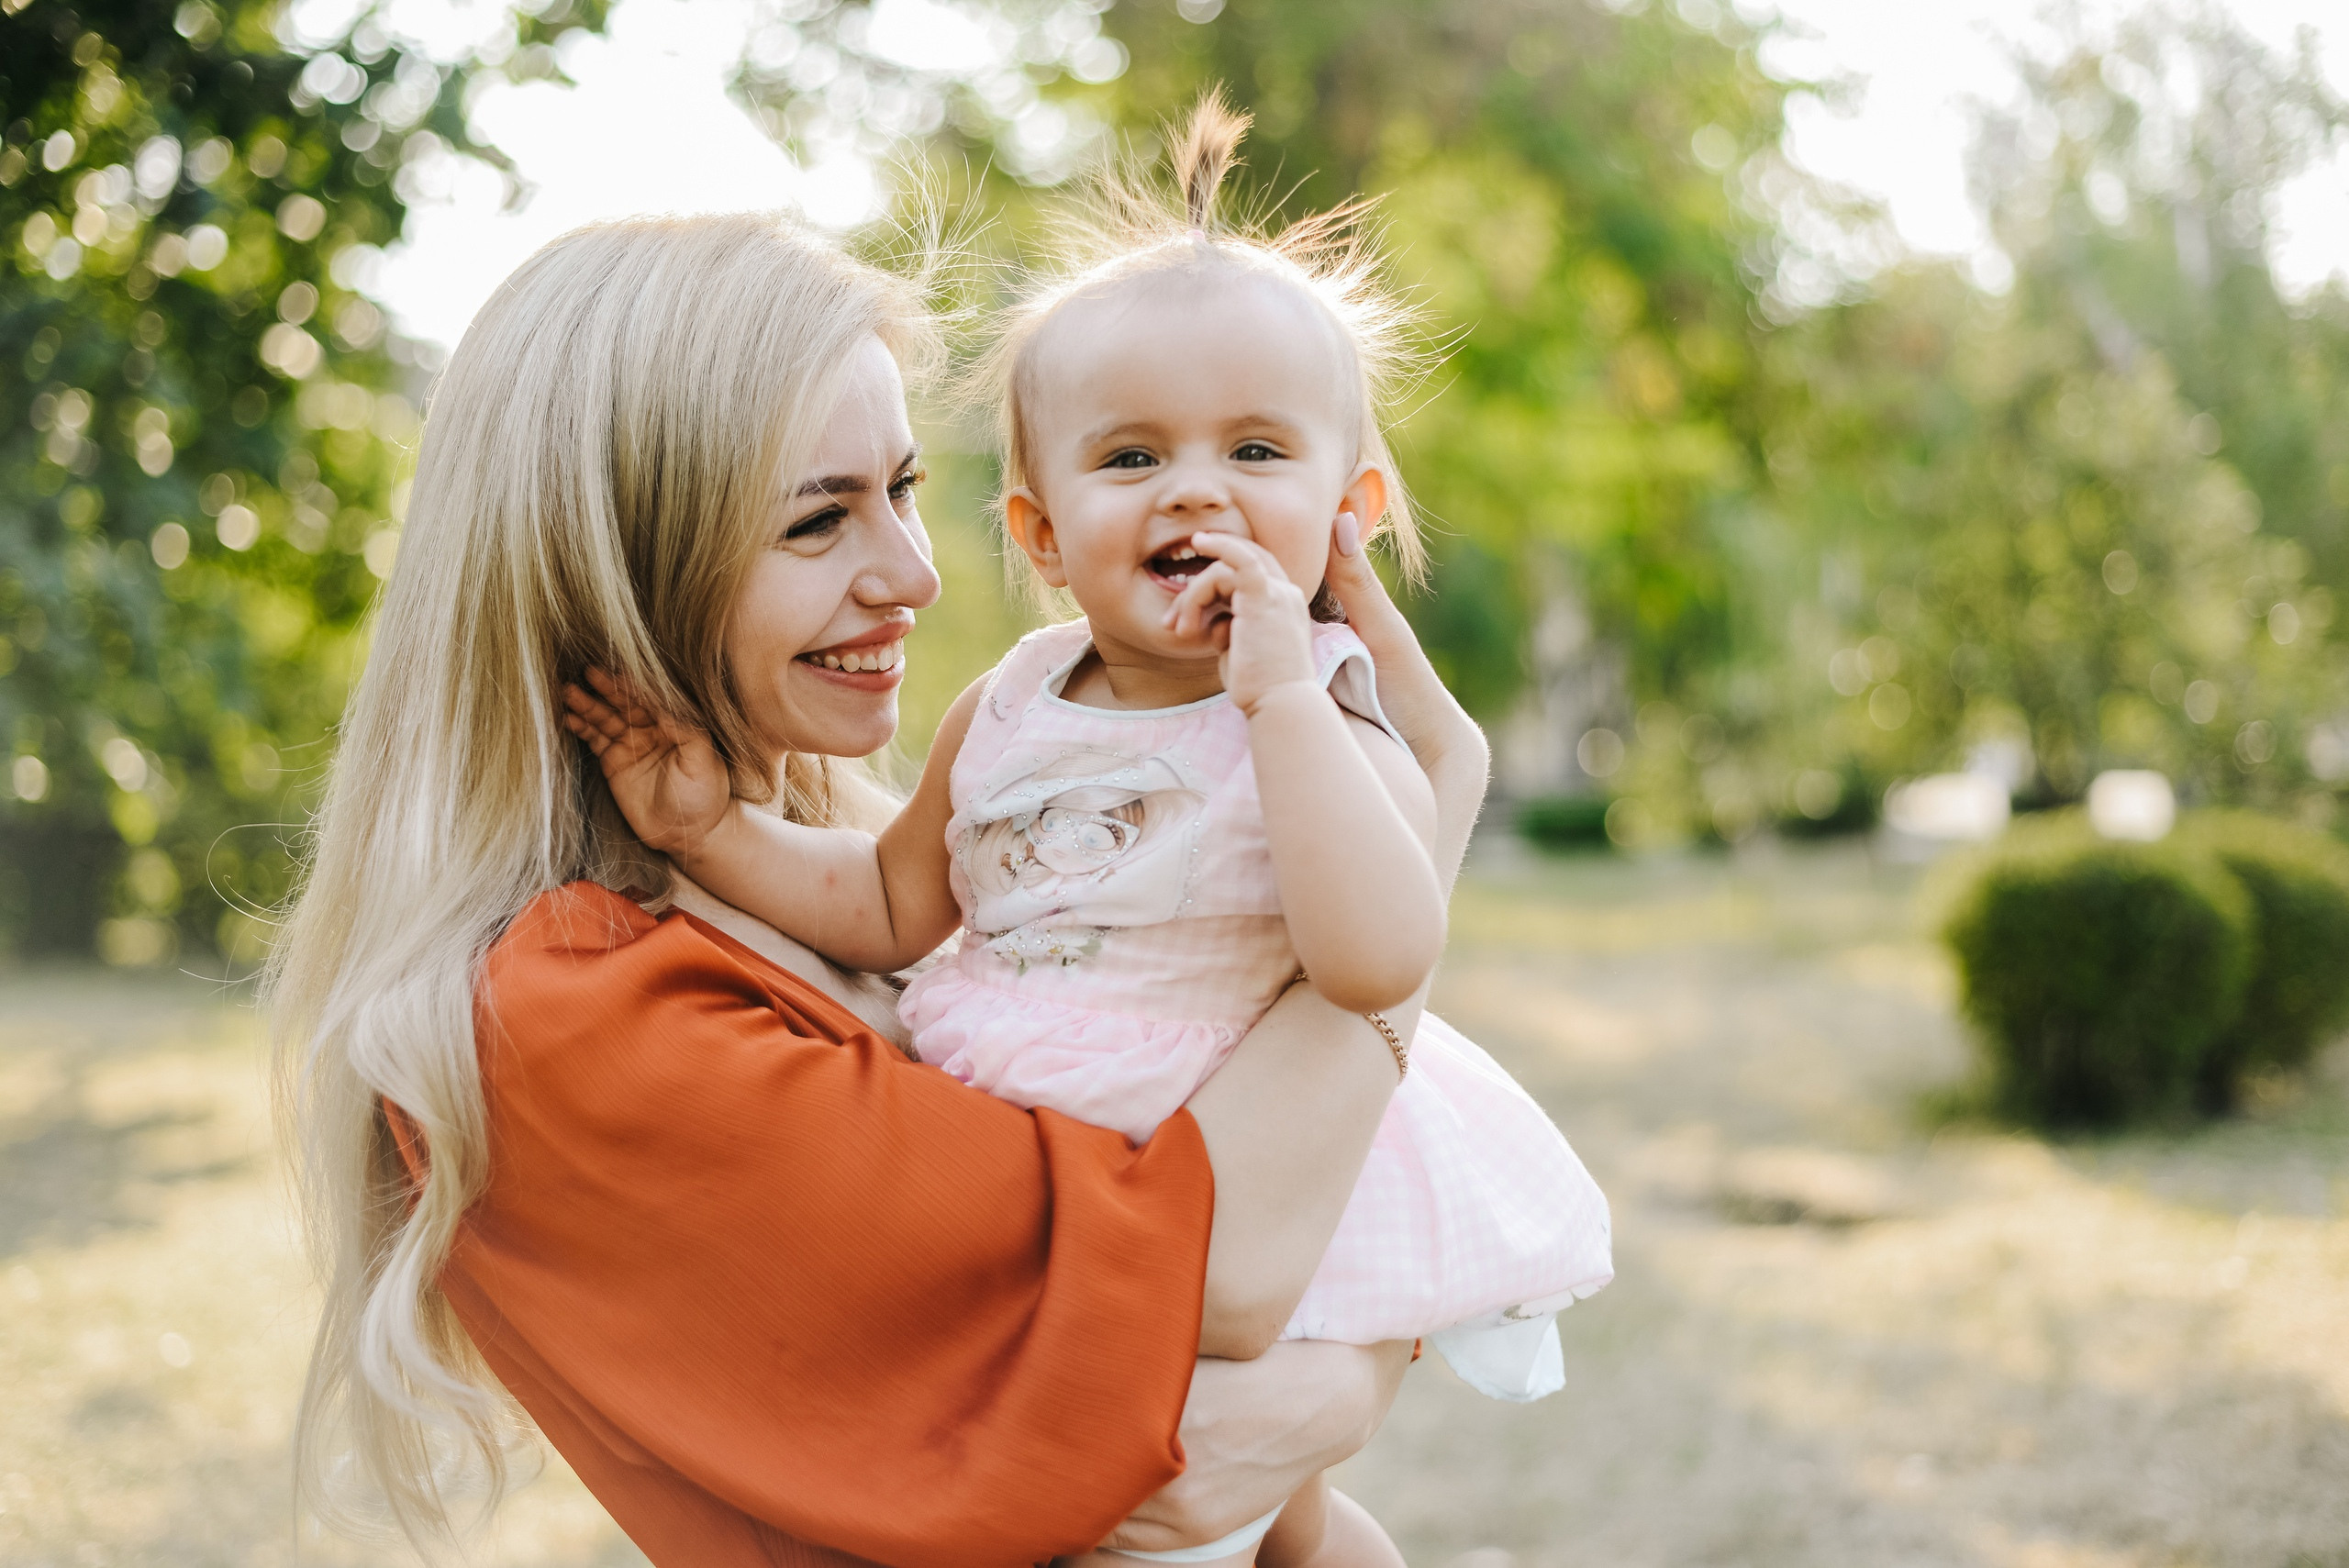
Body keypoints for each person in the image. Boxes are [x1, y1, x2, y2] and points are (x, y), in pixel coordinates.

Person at [262, 207, 1497, 1566]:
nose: (913, 573)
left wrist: (1335, 1386)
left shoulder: (839, 850)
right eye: (817, 521)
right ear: (620, 573)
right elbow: (1210, 1287)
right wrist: (1427, 817)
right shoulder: (551, 1013)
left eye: (903, 488)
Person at [561, 97, 1612, 1568]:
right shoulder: (1010, 703)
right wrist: (714, 830)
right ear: (1045, 535)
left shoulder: (1331, 708)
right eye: (1130, 459)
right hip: (1065, 1181)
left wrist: (1284, 702)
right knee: (1250, 1518)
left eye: (1257, 449)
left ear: (1348, 509)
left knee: (1259, 1524)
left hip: (1236, 1154)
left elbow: (1378, 956)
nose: (1195, 488)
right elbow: (885, 897)